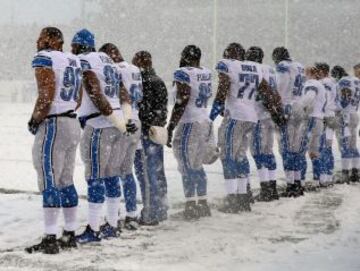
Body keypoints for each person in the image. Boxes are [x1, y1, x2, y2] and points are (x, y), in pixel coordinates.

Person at [72, 29, 137, 243]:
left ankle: (94, 227)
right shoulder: (108, 59)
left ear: (79, 45)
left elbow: (95, 92)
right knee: (111, 176)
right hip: (118, 124)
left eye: (73, 45)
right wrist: (124, 120)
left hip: (100, 124)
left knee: (95, 177)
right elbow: (123, 92)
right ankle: (112, 224)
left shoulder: (84, 60)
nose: (71, 49)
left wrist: (112, 119)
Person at [26, 27, 82, 254]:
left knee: (48, 177)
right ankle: (69, 233)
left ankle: (50, 237)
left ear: (53, 40)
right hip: (71, 121)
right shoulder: (73, 59)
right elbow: (78, 97)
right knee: (66, 179)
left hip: (55, 123)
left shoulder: (45, 57)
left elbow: (47, 93)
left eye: (42, 36)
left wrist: (35, 118)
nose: (38, 40)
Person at [210, 43, 280, 213]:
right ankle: (243, 197)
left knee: (228, 156)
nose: (225, 54)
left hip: (235, 116)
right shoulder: (254, 68)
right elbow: (267, 90)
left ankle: (233, 198)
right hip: (251, 117)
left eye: (227, 52)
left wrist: (217, 104)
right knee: (241, 156)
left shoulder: (229, 65)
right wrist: (275, 109)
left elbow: (224, 84)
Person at [99, 43, 143, 230]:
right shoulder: (134, 69)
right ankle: (132, 213)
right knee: (128, 171)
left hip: (122, 121)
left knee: (112, 170)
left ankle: (113, 215)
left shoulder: (114, 69)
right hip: (136, 119)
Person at [167, 45, 212, 220]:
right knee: (197, 164)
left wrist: (171, 126)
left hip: (189, 122)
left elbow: (182, 100)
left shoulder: (183, 73)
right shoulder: (206, 72)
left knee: (186, 164)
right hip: (204, 121)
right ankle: (202, 202)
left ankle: (191, 204)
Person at [132, 51, 169, 225]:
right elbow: (162, 109)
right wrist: (158, 123)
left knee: (145, 174)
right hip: (156, 133)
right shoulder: (159, 81)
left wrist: (144, 126)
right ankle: (161, 209)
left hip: (145, 133)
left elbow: (141, 109)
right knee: (158, 173)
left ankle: (150, 213)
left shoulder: (141, 81)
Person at [245, 46, 279, 201]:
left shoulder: (255, 69)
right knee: (268, 151)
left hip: (259, 114)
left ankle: (266, 189)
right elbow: (274, 93)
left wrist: (270, 108)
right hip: (268, 116)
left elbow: (263, 92)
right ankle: (272, 186)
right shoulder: (271, 70)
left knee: (259, 152)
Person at [272, 47, 306, 197]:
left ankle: (291, 184)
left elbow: (280, 87)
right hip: (299, 106)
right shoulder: (299, 66)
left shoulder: (283, 66)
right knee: (296, 148)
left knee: (286, 148)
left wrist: (275, 105)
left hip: (287, 107)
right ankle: (298, 181)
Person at [292, 66, 327, 190]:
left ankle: (300, 181)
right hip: (319, 119)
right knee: (314, 152)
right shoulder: (320, 84)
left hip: (310, 118)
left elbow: (310, 97)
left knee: (300, 150)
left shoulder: (311, 83)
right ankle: (319, 179)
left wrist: (298, 106)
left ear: (309, 73)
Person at [311, 63, 337, 187]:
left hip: (325, 116)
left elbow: (325, 98)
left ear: (323, 71)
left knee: (321, 148)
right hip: (332, 115)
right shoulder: (333, 81)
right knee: (327, 147)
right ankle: (328, 175)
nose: (316, 72)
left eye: (318, 70)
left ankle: (321, 178)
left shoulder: (324, 82)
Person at [334, 66, 360, 183]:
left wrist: (335, 108)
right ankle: (355, 171)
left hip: (346, 115)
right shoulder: (356, 80)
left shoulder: (343, 81)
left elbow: (345, 98)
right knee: (353, 144)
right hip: (354, 113)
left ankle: (345, 173)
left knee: (345, 145)